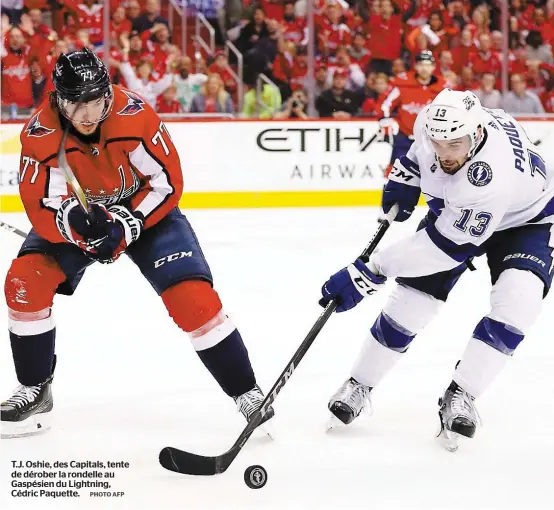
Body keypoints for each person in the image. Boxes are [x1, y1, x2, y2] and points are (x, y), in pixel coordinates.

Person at [1, 49, 273, 438]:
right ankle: (35, 388)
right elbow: (41, 205)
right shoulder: (39, 134)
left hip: (146, 213)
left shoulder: (135, 116)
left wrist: (127, 224)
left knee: (193, 300)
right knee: (24, 281)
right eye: (76, 103)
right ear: (58, 100)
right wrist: (77, 225)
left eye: (95, 100)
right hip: (84, 213)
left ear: (107, 94)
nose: (87, 113)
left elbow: (167, 183)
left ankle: (248, 393)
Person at [320, 89, 554, 452]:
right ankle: (360, 382)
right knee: (411, 303)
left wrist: (370, 270)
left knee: (518, 304)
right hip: (458, 211)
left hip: (525, 221)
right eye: (438, 143)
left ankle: (463, 394)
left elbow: (446, 248)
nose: (444, 153)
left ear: (476, 137)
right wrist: (406, 175)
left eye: (454, 145)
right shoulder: (436, 123)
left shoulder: (490, 177)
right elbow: (420, 150)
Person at [377, 50, 445, 178]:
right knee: (394, 172)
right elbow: (385, 105)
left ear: (433, 67)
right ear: (415, 66)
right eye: (421, 64)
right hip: (405, 137)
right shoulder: (403, 84)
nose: (424, 68)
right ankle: (391, 198)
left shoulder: (442, 88)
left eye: (427, 64)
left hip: (431, 141)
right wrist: (386, 122)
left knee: (439, 175)